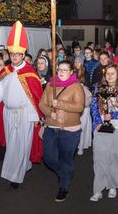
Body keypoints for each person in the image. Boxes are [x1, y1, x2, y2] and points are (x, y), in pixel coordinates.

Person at [0, 21, 44, 188]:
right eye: (12, 54)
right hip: (8, 113)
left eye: (18, 54)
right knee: (12, 144)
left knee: (21, 144)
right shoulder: (6, 71)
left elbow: (36, 97)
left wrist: (35, 117)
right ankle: (24, 166)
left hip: (24, 115)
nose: (14, 57)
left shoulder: (30, 73)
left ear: (23, 55)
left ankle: (15, 177)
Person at [39, 60, 85, 202]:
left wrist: (60, 104)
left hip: (69, 129)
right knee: (48, 157)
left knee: (66, 159)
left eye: (65, 70)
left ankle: (64, 187)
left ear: (71, 72)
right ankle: (65, 174)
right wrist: (48, 112)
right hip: (51, 127)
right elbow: (42, 103)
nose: (61, 72)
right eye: (59, 69)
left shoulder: (76, 86)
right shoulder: (50, 85)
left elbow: (79, 107)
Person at [89, 64, 118, 201]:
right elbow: (93, 106)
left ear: (117, 74)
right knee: (99, 158)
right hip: (101, 127)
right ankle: (98, 189)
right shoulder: (98, 87)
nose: (109, 75)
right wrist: (97, 121)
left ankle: (113, 185)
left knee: (114, 157)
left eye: (112, 73)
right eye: (107, 73)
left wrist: (112, 116)